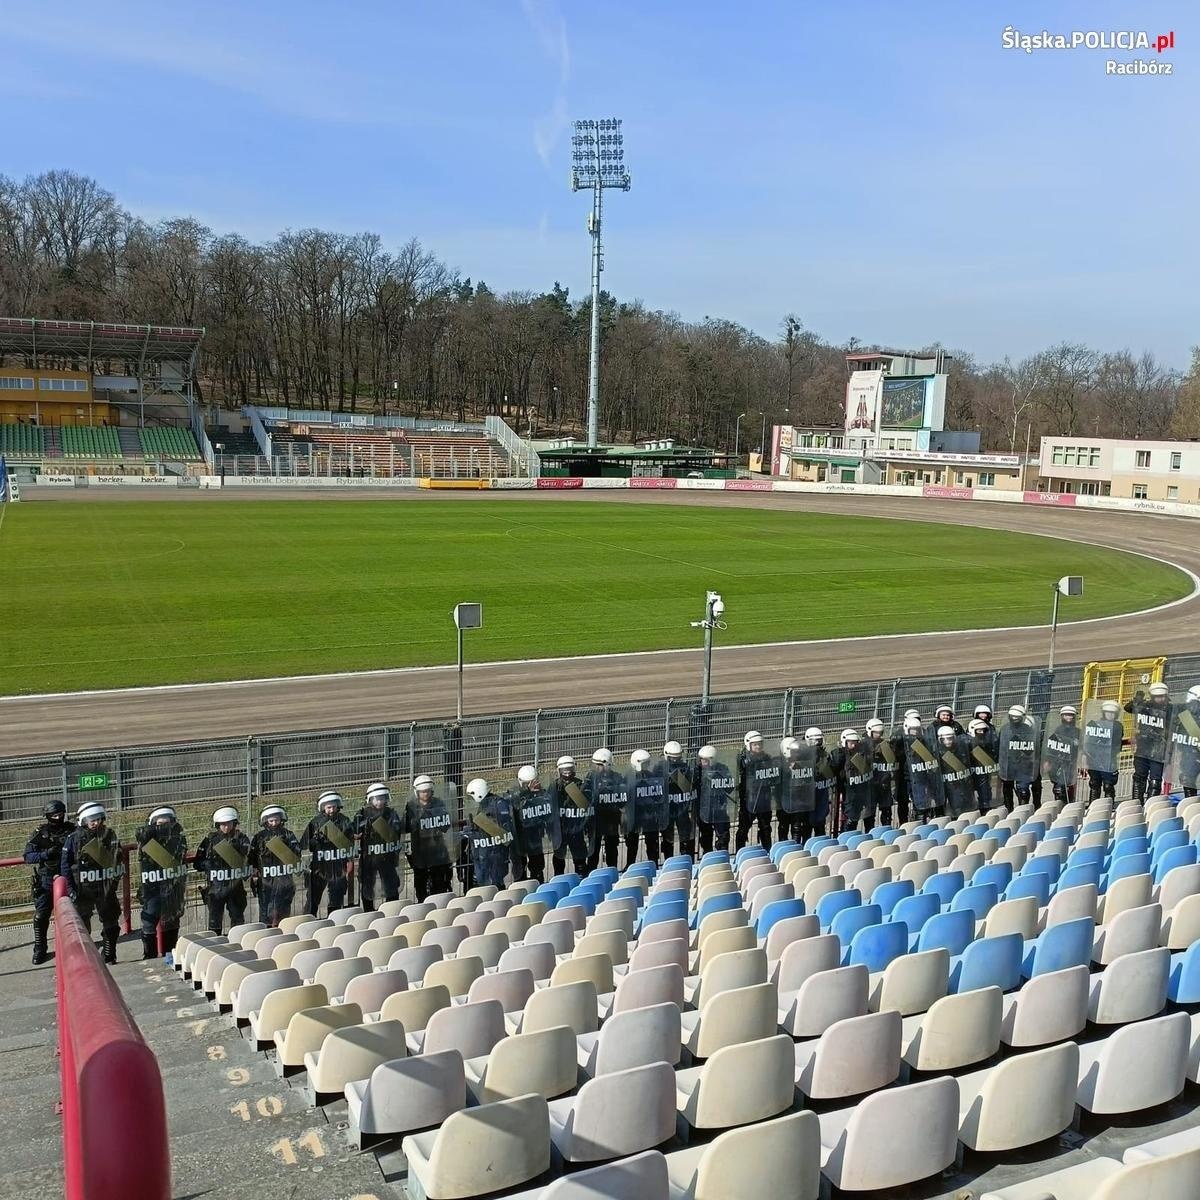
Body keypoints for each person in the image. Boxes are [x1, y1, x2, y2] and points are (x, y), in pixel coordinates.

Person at [61, 802, 124, 964]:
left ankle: (110, 953)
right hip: (83, 888)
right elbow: (65, 865)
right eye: (92, 820)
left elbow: (118, 858)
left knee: (111, 921)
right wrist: (71, 889)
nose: (96, 823)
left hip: (105, 886)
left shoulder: (109, 835)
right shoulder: (74, 838)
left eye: (98, 819)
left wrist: (114, 881)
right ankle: (86, 956)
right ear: (83, 821)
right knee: (81, 924)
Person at [24, 800, 74, 965]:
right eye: (54, 815)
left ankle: (75, 948)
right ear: (47, 816)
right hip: (46, 879)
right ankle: (40, 948)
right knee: (40, 916)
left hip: (69, 877)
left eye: (60, 814)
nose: (58, 817)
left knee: (74, 914)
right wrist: (46, 854)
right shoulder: (41, 833)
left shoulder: (71, 830)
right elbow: (28, 856)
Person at [136, 806, 188, 959]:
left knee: (172, 920)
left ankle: (169, 953)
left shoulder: (178, 838)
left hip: (172, 888)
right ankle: (150, 955)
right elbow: (140, 834)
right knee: (149, 920)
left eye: (167, 823)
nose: (164, 827)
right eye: (160, 824)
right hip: (152, 888)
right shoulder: (147, 839)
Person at [193, 806, 253, 934]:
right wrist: (208, 865)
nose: (226, 827)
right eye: (222, 824)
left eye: (229, 823)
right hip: (216, 890)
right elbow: (197, 863)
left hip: (235, 888)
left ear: (234, 823)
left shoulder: (241, 839)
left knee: (237, 920)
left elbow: (249, 859)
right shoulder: (210, 840)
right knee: (214, 921)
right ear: (217, 824)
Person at [300, 791, 356, 917]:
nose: (332, 810)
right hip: (319, 868)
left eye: (334, 806)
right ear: (322, 807)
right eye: (328, 807)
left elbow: (350, 843)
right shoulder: (315, 822)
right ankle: (308, 920)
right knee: (313, 899)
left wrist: (350, 860)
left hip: (337, 867)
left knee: (337, 897)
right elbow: (303, 844)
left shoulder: (344, 821)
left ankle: (333, 921)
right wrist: (314, 840)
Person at [249, 805, 303, 927]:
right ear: (265, 821)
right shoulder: (259, 837)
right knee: (266, 911)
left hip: (284, 880)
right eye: (271, 820)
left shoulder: (288, 834)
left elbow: (297, 852)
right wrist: (254, 873)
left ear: (281, 819)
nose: (274, 823)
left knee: (283, 910)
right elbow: (251, 857)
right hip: (266, 882)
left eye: (276, 820)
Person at [353, 782, 405, 909]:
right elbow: (354, 829)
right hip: (369, 859)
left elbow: (397, 830)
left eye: (382, 798)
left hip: (387, 858)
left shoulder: (391, 813)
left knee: (391, 885)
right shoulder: (362, 814)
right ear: (370, 799)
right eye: (376, 799)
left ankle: (392, 909)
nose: (379, 802)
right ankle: (369, 912)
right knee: (367, 887)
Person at [459, 778, 515, 890]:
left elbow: (501, 833)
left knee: (494, 886)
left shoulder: (496, 806)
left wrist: (476, 828)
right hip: (488, 853)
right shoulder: (489, 803)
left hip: (493, 855)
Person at [406, 776, 455, 901]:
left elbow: (445, 825)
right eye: (422, 791)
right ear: (417, 792)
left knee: (439, 882)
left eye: (428, 791)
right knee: (421, 882)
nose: (425, 794)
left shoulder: (438, 803)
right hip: (420, 850)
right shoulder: (411, 807)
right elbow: (408, 826)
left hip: (437, 848)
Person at [510, 765, 562, 882]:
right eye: (526, 784)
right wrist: (527, 792)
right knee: (519, 869)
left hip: (535, 836)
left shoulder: (543, 795)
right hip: (520, 837)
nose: (530, 786)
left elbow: (549, 813)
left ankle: (538, 883)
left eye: (532, 783)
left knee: (537, 867)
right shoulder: (515, 795)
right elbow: (514, 804)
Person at [1124, 684, 1175, 801]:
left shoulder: (1170, 709)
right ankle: (1136, 803)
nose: (1160, 699)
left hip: (1160, 750)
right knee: (1139, 778)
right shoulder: (1145, 706)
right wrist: (1137, 701)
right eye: (1157, 696)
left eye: (1162, 696)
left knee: (1156, 781)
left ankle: (1151, 805)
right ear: (1152, 696)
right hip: (1143, 748)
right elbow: (1127, 708)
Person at [547, 755, 593, 874]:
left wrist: (573, 790)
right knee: (559, 858)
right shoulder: (554, 787)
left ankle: (581, 878)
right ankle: (558, 878)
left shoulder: (580, 785)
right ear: (559, 771)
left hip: (576, 828)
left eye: (570, 771)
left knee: (580, 861)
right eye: (564, 771)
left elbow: (586, 806)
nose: (567, 775)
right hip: (561, 829)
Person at [583, 748, 628, 869]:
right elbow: (583, 797)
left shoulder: (617, 778)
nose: (597, 768)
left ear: (607, 764)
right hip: (595, 819)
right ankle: (590, 872)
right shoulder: (590, 778)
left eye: (600, 765)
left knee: (612, 848)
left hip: (611, 819)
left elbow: (623, 799)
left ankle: (612, 871)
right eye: (595, 764)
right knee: (593, 850)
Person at [736, 731, 779, 850]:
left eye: (760, 744)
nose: (758, 747)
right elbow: (743, 768)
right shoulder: (743, 759)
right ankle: (740, 853)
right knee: (743, 828)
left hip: (764, 798)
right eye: (755, 744)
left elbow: (772, 775)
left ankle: (767, 851)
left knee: (765, 827)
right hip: (749, 799)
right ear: (748, 744)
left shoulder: (766, 758)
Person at [626, 749, 669, 865]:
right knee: (632, 841)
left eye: (647, 763)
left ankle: (653, 862)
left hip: (649, 814)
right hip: (635, 814)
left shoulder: (652, 776)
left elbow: (658, 795)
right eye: (643, 764)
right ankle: (630, 864)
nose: (646, 766)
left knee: (651, 841)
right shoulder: (628, 777)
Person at [659, 741, 697, 860]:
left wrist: (678, 777)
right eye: (672, 759)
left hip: (682, 807)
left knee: (685, 836)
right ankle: (668, 860)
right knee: (667, 837)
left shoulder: (686, 768)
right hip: (667, 808)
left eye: (677, 758)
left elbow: (688, 787)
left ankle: (687, 860)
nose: (675, 761)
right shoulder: (659, 768)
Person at [998, 704, 1040, 810]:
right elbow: (1001, 747)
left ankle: (1023, 811)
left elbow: (1032, 748)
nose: (1014, 719)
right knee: (1007, 788)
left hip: (1023, 764)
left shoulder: (1028, 730)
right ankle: (1009, 811)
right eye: (1012, 716)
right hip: (1008, 764)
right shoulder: (1005, 729)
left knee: (1023, 791)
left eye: (1017, 717)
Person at [695, 744, 735, 853]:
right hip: (704, 809)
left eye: (706, 760)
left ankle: (722, 857)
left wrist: (716, 776)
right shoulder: (697, 770)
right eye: (702, 760)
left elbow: (730, 787)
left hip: (719, 808)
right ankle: (707, 858)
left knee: (723, 837)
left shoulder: (722, 769)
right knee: (706, 838)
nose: (703, 762)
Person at [834, 729, 876, 832]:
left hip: (862, 791)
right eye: (851, 743)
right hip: (849, 793)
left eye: (855, 743)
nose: (853, 745)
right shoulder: (840, 755)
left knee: (868, 818)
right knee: (850, 820)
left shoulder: (862, 754)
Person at [1082, 700, 1124, 801]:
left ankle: (1108, 807)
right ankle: (1093, 807)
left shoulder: (1117, 726)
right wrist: (1085, 757)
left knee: (1108, 786)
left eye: (1113, 713)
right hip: (1095, 758)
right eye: (1108, 712)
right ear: (1103, 712)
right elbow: (1088, 743)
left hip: (1109, 759)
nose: (1110, 715)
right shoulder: (1094, 724)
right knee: (1094, 784)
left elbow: (1116, 742)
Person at [902, 717, 944, 818]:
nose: (915, 733)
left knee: (929, 801)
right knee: (919, 802)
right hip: (911, 776)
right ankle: (919, 817)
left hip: (925, 774)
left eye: (917, 730)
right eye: (913, 730)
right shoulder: (902, 742)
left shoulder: (925, 741)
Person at [1042, 705, 1081, 804]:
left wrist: (1083, 761)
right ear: (1062, 716)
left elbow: (1082, 749)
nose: (1068, 717)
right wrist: (1048, 762)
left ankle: (1069, 806)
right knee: (1059, 789)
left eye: (1071, 715)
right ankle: (1059, 808)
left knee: (1070, 789)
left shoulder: (1078, 733)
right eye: (1066, 715)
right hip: (1058, 764)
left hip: (1072, 764)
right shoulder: (1057, 732)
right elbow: (1050, 750)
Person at [778, 736, 815, 843]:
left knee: (797, 827)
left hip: (798, 801)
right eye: (794, 751)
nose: (796, 753)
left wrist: (800, 768)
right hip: (784, 801)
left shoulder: (802, 763)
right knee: (783, 827)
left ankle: (797, 849)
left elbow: (808, 779)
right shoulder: (779, 764)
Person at [865, 718, 899, 826]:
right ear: (869, 731)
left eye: (880, 733)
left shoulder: (885, 744)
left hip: (884, 782)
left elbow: (892, 761)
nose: (878, 735)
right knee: (870, 815)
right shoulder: (863, 745)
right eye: (876, 733)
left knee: (887, 811)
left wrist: (887, 749)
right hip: (870, 784)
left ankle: (886, 829)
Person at [935, 726, 974, 817]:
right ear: (940, 740)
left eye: (950, 738)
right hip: (944, 786)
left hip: (959, 785)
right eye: (945, 739)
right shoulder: (936, 752)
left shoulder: (960, 750)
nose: (948, 741)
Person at [1170, 685, 1200, 798]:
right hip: (1188, 753)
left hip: (1192, 752)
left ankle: (1191, 804)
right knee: (1187, 778)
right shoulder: (1183, 713)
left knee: (1187, 778)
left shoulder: (1186, 715)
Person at [967, 718, 1001, 811]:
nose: (981, 732)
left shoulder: (988, 743)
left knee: (985, 792)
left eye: (983, 730)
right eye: (979, 730)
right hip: (971, 773)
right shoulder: (966, 743)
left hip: (984, 772)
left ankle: (986, 808)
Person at [809, 728, 838, 836]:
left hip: (821, 794)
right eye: (815, 741)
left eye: (819, 741)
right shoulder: (803, 756)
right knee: (807, 828)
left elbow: (830, 774)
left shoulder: (825, 756)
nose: (818, 744)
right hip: (808, 798)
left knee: (820, 826)